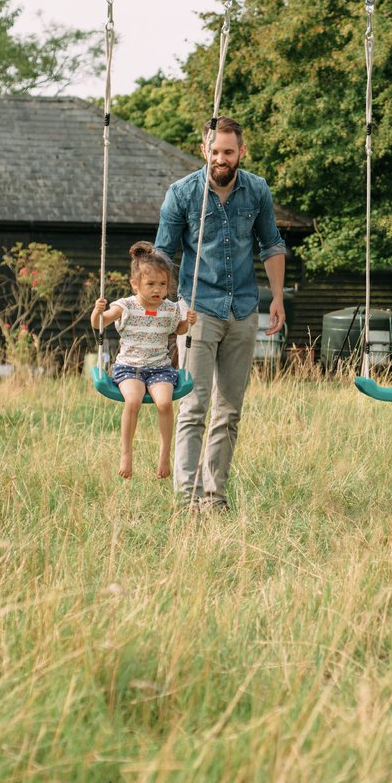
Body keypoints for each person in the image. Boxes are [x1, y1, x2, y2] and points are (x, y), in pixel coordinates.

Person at [156, 115, 287, 512]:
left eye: (228, 152)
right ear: (204, 151)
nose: (221, 159)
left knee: (229, 410)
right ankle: (187, 497)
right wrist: (160, 310)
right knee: (194, 406)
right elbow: (162, 254)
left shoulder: (257, 190)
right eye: (214, 152)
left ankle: (215, 496)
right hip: (198, 310)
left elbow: (271, 244)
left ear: (241, 152)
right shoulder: (181, 194)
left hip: (244, 309)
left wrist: (277, 298)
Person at [90, 242, 198, 480]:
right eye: (150, 284)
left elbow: (179, 330)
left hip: (160, 368)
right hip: (130, 368)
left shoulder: (170, 309)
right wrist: (97, 311)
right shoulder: (125, 306)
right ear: (135, 284)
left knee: (164, 403)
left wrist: (188, 322)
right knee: (133, 400)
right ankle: (126, 453)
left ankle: (164, 454)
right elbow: (99, 323)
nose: (157, 290)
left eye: (163, 284)